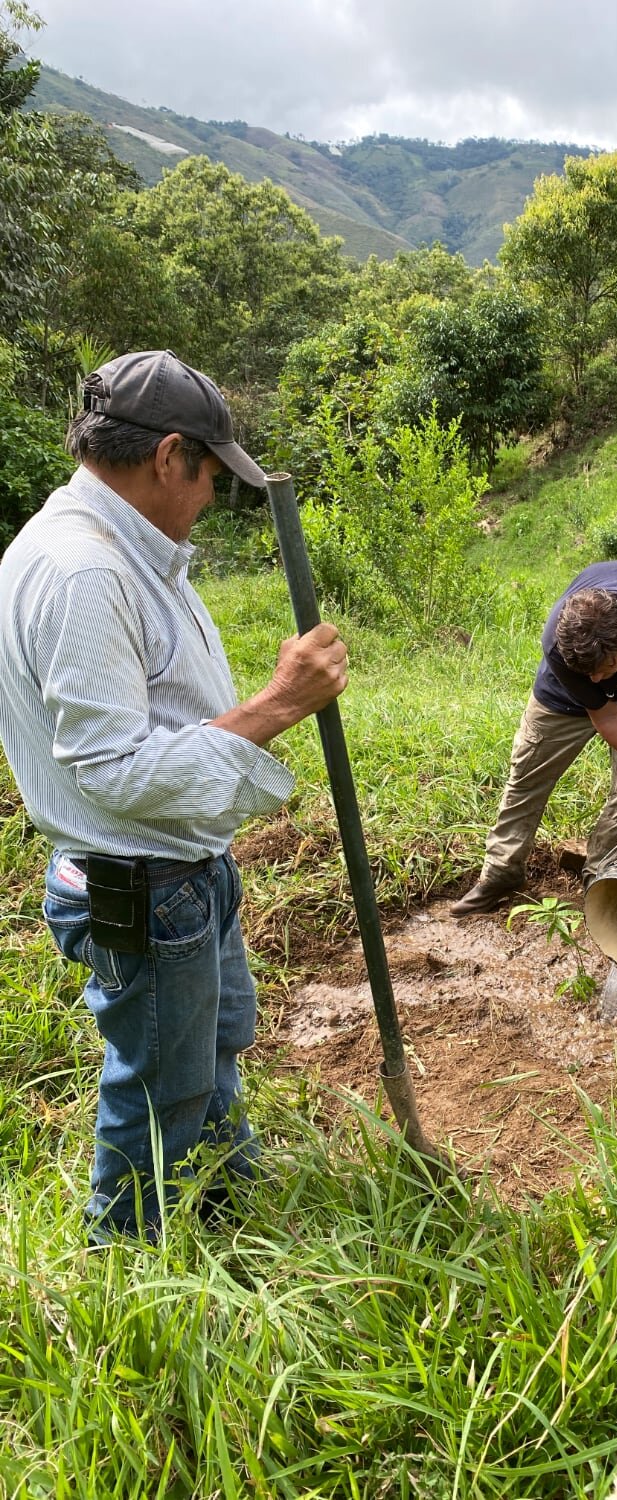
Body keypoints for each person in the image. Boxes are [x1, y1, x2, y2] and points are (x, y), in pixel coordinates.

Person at [0, 349, 349, 1243]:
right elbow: (111, 770)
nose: (209, 499)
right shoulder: (87, 571)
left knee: (214, 1045)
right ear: (167, 457)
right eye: (207, 477)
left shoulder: (123, 549)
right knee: (160, 1084)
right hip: (146, 887)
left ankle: (225, 1206)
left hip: (183, 871)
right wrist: (279, 705)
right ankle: (129, 1265)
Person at [451, 561, 617, 916]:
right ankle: (501, 873)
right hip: (561, 698)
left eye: (606, 667)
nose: (595, 679)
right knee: (527, 775)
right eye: (586, 671)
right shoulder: (560, 643)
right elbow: (606, 715)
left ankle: (603, 880)